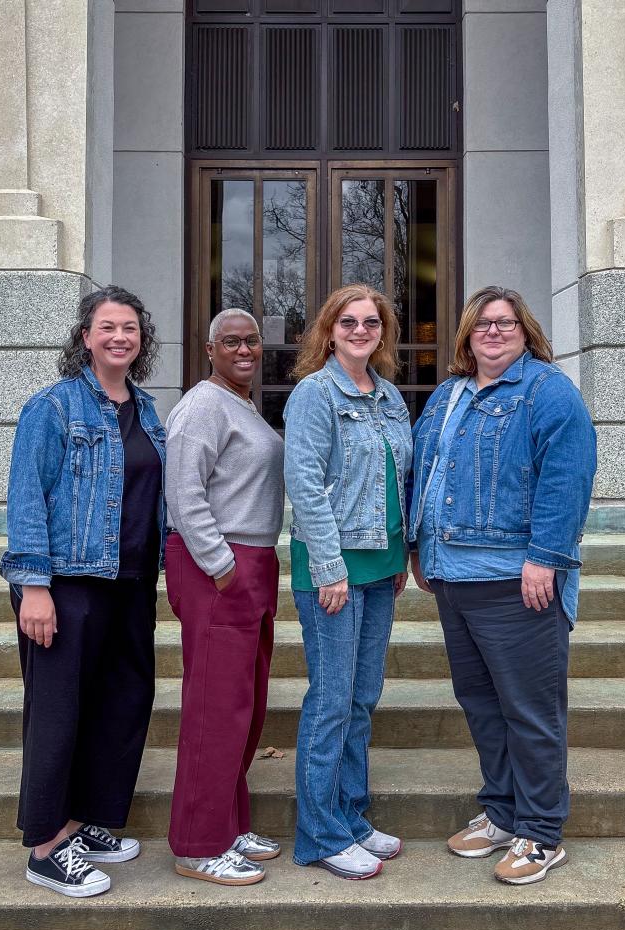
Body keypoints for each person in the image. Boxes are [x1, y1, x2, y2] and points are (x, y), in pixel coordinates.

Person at [408, 285, 596, 885]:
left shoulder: (547, 391)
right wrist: (419, 546)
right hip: (453, 576)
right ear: (466, 335)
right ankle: (503, 809)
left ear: (526, 331)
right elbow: (426, 474)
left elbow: (566, 477)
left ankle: (541, 832)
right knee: (483, 706)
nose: (494, 332)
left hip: (516, 581)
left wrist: (546, 557)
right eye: (483, 324)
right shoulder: (447, 396)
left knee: (531, 711)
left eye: (506, 323)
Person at [0, 285, 166, 897]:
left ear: (141, 340)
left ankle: (80, 823)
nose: (120, 337)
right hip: (67, 583)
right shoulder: (54, 406)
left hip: (130, 584)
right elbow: (26, 497)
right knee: (58, 711)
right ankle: (45, 845)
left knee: (120, 704)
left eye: (130, 328)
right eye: (107, 327)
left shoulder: (147, 410)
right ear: (86, 337)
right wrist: (34, 585)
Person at [283, 284, 413, 880]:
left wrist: (404, 553)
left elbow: (399, 481)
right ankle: (321, 834)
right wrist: (330, 568)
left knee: (362, 700)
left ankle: (352, 816)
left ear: (382, 331)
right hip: (332, 569)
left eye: (371, 322)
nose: (361, 330)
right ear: (329, 331)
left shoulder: (389, 399)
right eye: (349, 321)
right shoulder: (314, 395)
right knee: (331, 701)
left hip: (381, 565)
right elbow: (305, 485)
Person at [164, 308, 285, 886]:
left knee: (245, 704)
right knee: (215, 709)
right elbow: (184, 494)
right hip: (220, 566)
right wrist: (221, 566)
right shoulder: (201, 406)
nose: (244, 349)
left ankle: (230, 825)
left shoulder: (241, 407)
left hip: (252, 562)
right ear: (209, 348)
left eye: (252, 340)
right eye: (230, 341)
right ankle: (197, 842)